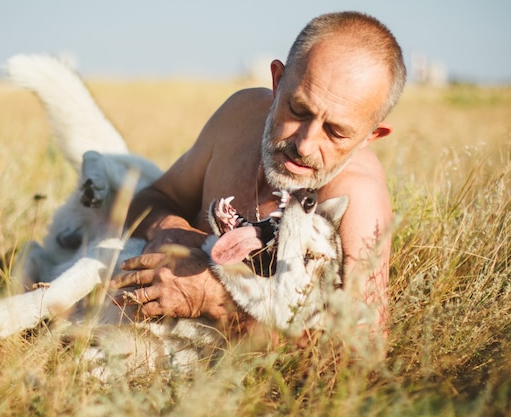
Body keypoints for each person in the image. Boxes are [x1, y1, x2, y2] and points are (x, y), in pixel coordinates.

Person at [112, 11, 406, 342]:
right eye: (298, 110)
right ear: (277, 81)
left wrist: (215, 300)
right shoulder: (239, 115)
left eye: (336, 132)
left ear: (371, 136)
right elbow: (154, 199)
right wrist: (173, 231)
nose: (305, 144)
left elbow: (361, 352)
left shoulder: (359, 198)